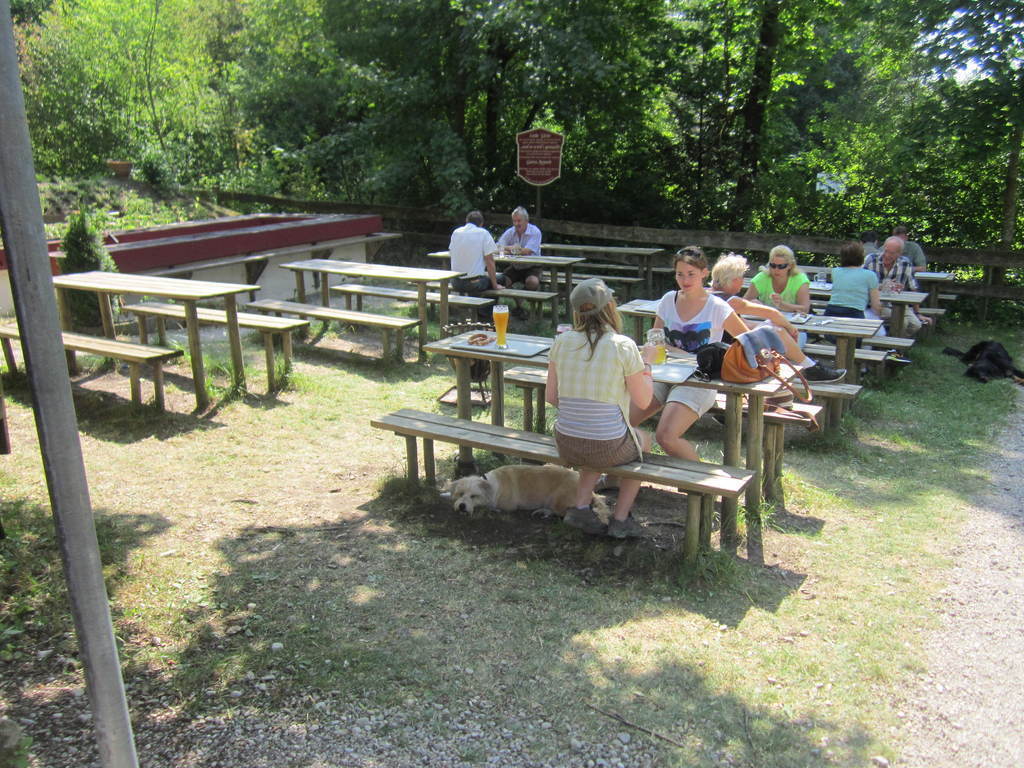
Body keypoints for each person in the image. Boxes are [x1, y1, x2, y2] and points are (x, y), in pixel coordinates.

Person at [545, 279, 657, 539]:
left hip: (566, 442)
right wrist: (648, 364)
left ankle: (581, 508)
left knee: (594, 441)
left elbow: (551, 396)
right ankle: (620, 519)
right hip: (605, 446)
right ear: (610, 306)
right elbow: (644, 401)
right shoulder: (623, 345)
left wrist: (582, 408)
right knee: (644, 440)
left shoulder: (561, 342)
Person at [627, 247, 747, 462]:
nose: (685, 280)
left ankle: (702, 488)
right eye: (679, 274)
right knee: (623, 421)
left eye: (691, 274)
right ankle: (621, 476)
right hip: (665, 373)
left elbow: (747, 340)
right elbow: (656, 339)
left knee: (666, 437)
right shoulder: (668, 300)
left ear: (704, 273)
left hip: (699, 380)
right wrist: (655, 352)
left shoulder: (718, 307)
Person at [709, 253, 846, 381]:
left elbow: (741, 323)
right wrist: (790, 328)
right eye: (742, 277)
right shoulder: (731, 301)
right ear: (735, 279)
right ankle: (810, 368)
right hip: (729, 356)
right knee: (777, 331)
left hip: (714, 353)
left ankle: (806, 367)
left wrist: (768, 326)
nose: (743, 281)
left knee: (772, 329)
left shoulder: (707, 295)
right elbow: (773, 313)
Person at [864, 236, 929, 334]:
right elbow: (861, 283)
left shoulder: (905, 263)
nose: (887, 255)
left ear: (899, 253)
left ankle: (893, 344)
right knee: (903, 323)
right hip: (876, 304)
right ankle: (892, 347)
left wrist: (918, 313)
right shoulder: (871, 260)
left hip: (900, 304)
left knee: (916, 325)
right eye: (886, 251)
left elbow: (913, 287)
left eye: (892, 253)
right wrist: (882, 286)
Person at [742, 244, 812, 315]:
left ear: (790, 265)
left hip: (793, 321)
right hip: (764, 320)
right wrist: (754, 304)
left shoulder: (800, 280)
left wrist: (782, 305)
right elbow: (743, 303)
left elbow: (805, 309)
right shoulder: (761, 278)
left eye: (781, 266)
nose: (776, 269)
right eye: (773, 265)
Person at [825, 241, 882, 320]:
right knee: (879, 329)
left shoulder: (835, 272)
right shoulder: (870, 275)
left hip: (831, 312)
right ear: (861, 257)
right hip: (855, 313)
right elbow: (876, 306)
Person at [497, 206, 543, 291]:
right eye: (514, 221)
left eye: (519, 221)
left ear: (526, 221)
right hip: (516, 266)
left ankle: (521, 299)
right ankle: (518, 300)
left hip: (533, 266)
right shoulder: (510, 232)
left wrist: (507, 250)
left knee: (532, 282)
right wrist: (512, 248)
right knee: (501, 281)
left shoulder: (535, 232)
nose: (516, 224)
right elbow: (498, 247)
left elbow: (527, 251)